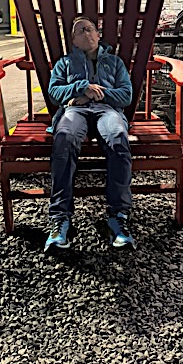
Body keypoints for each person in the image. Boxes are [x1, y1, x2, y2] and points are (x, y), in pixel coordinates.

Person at [44, 15, 135, 252]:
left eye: (90, 29)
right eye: (80, 31)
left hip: (107, 110)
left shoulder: (114, 63)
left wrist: (97, 93)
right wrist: (81, 88)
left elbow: (126, 95)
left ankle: (118, 217)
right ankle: (60, 220)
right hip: (75, 110)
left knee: (118, 139)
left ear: (98, 34)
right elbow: (54, 93)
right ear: (73, 40)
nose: (86, 34)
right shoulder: (65, 63)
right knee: (63, 140)